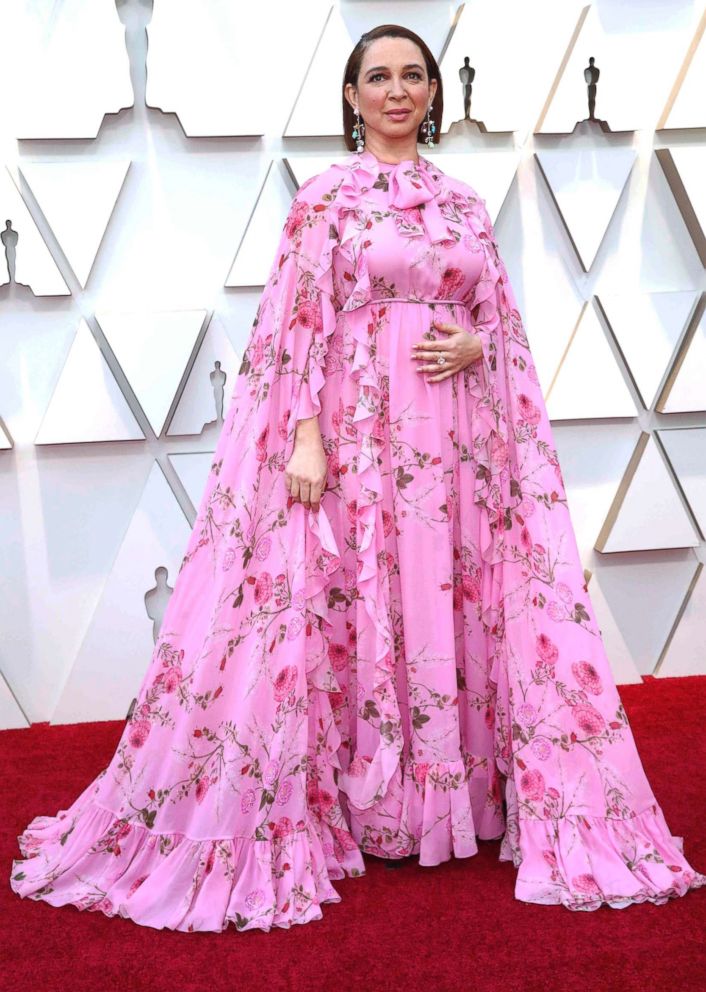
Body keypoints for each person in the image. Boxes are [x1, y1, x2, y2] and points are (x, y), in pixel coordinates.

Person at [10, 24, 705, 933]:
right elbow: (297, 325)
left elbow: (498, 319)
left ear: (431, 93)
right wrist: (303, 436)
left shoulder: (463, 204)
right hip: (355, 439)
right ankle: (366, 800)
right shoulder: (325, 202)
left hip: (451, 445)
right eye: (378, 76)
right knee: (354, 598)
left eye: (413, 75)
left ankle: (440, 803)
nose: (397, 90)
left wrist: (477, 343)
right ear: (350, 95)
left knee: (444, 597)